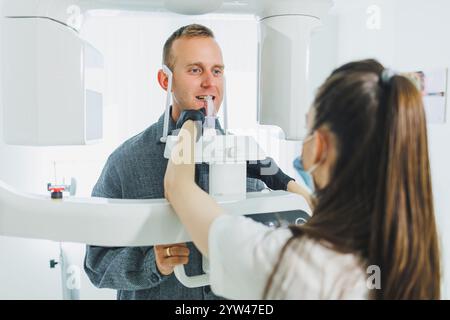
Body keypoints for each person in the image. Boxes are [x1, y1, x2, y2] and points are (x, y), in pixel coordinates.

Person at [164, 59, 441, 299]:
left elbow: (179, 187)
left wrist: (190, 126)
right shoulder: (414, 253)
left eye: (308, 127)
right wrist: (292, 185)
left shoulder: (293, 263)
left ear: (319, 146)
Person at [83, 24, 267, 300]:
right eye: (195, 70)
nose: (210, 82)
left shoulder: (246, 156)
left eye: (217, 71)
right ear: (165, 80)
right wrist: (152, 263)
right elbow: (96, 263)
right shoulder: (125, 163)